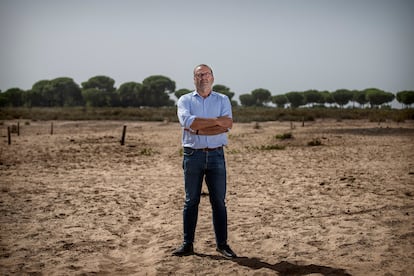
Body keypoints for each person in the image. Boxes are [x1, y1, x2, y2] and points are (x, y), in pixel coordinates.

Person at [173, 64, 237, 258]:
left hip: (217, 155)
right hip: (193, 155)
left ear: (213, 78)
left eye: (207, 74)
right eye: (199, 75)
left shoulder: (223, 99)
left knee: (219, 201)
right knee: (191, 200)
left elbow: (228, 124)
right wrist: (215, 122)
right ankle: (187, 244)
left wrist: (199, 128)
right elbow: (188, 123)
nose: (203, 78)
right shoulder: (184, 100)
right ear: (194, 79)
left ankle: (222, 244)